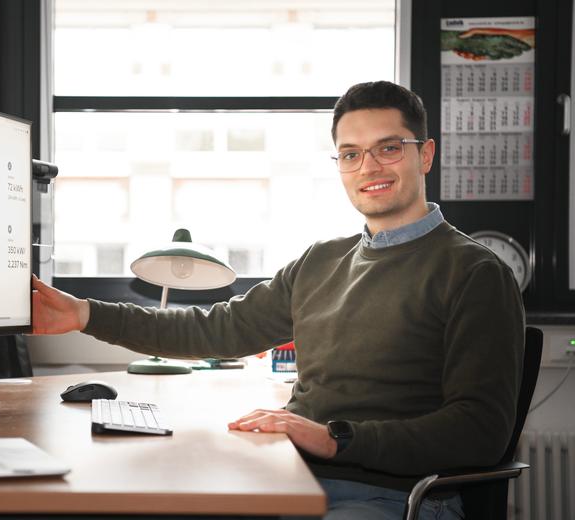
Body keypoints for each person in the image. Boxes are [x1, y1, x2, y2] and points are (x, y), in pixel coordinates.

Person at [30, 81, 524, 520]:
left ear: (426, 155)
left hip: (398, 498)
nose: (368, 166)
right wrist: (84, 314)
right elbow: (215, 330)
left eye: (388, 148)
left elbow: (479, 430)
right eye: (350, 154)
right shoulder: (321, 261)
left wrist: (336, 439)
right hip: (292, 478)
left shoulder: (475, 273)